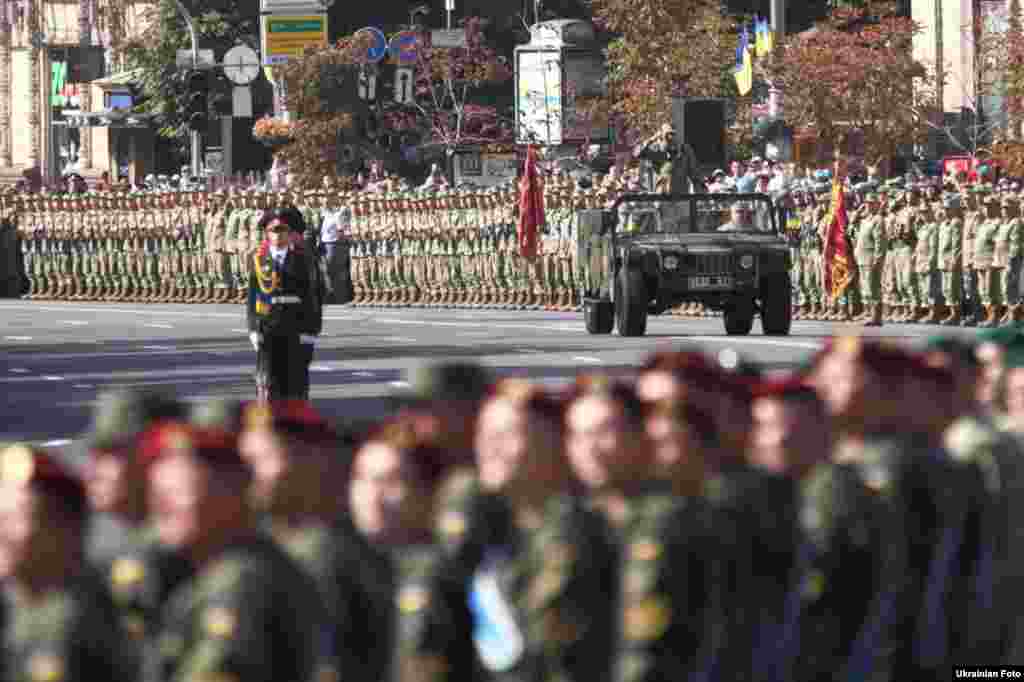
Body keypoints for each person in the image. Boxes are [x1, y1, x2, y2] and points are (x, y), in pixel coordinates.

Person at [143, 421, 322, 682]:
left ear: (231, 494)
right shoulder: (221, 570)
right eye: (157, 494)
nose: (162, 507)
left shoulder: (240, 582)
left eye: (178, 492)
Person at [0, 444, 139, 682]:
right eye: (2, 517)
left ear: (67, 530)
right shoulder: (13, 606)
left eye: (18, 518)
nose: (4, 533)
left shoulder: (93, 618)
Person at [247, 208, 322, 401]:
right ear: (267, 234)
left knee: (295, 381)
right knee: (267, 380)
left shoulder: (304, 261)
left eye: (283, 230)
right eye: (274, 230)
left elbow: (313, 297)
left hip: (295, 326)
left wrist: (311, 331)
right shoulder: (259, 260)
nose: (278, 234)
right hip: (268, 326)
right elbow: (253, 297)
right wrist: (253, 328)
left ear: (289, 234)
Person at [633, 123, 703, 194]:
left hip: (680, 193)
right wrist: (652, 139)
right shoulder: (656, 149)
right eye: (668, 134)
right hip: (661, 193)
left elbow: (694, 172)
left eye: (673, 134)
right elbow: (637, 154)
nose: (670, 137)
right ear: (661, 134)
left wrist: (699, 186)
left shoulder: (685, 150)